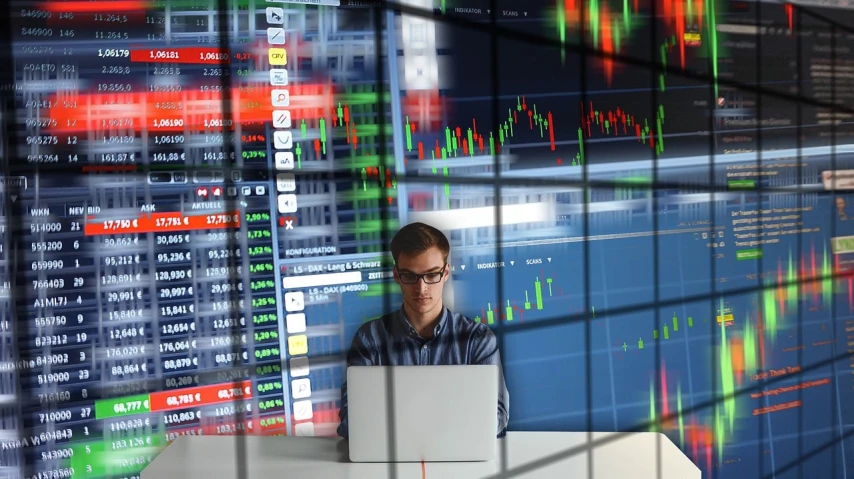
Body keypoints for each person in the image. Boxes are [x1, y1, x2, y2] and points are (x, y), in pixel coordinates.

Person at [336, 222, 510, 438]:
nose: (421, 288)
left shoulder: (479, 340)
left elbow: (497, 416)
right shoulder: (369, 339)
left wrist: (412, 428)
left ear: (446, 273)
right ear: (397, 276)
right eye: (410, 276)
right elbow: (350, 422)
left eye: (432, 274)